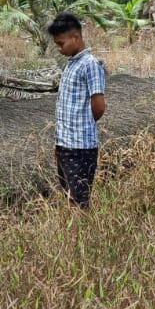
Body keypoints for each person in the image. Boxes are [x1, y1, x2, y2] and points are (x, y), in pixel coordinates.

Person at [47, 12, 106, 208]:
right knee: (69, 196)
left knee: (79, 201)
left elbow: (98, 106)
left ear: (76, 37)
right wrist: (59, 144)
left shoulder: (90, 65)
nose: (60, 48)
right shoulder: (71, 65)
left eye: (61, 43)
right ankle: (75, 236)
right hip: (66, 145)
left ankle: (83, 234)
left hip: (81, 147)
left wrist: (84, 126)